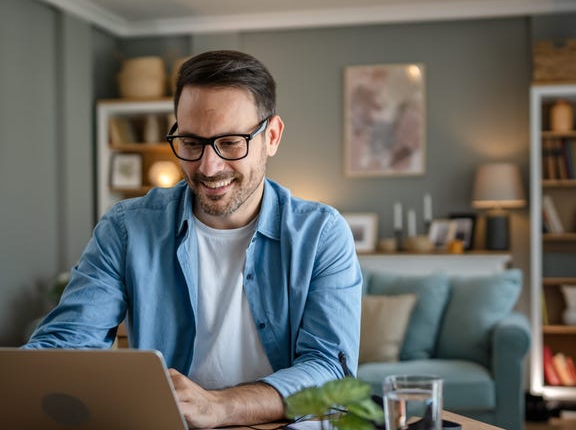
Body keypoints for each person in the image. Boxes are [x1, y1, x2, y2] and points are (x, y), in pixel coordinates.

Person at [25, 50, 362, 429]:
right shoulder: (126, 228)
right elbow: (66, 346)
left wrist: (220, 406)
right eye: (191, 142)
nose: (208, 166)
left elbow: (329, 370)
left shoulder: (321, 234)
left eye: (231, 143)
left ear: (272, 136)